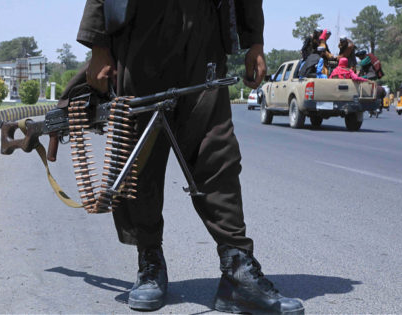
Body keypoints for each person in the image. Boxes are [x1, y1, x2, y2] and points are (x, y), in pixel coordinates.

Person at [74, 1, 304, 314]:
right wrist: (98, 45)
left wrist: (255, 41)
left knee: (217, 154)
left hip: (204, 33)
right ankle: (150, 261)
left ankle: (237, 270)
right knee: (140, 158)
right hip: (142, 32)